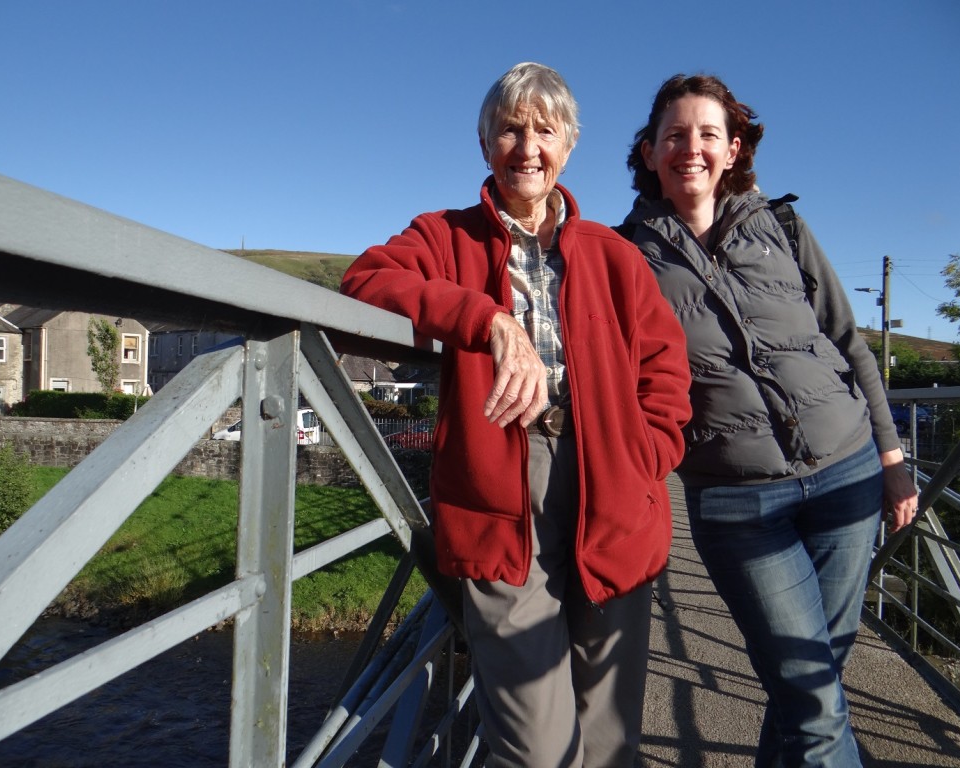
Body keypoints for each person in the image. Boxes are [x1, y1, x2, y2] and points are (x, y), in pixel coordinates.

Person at [341, 62, 692, 767]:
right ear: (484, 142)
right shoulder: (446, 236)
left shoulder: (615, 256)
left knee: (611, 743)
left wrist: (643, 455)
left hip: (613, 490)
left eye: (544, 130)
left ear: (569, 145)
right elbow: (365, 284)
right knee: (534, 749)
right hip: (500, 494)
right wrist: (486, 319)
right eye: (509, 128)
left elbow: (667, 373)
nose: (527, 146)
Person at [615, 73, 920, 767]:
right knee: (812, 700)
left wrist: (893, 461)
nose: (690, 147)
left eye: (707, 134)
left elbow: (847, 342)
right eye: (674, 135)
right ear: (649, 150)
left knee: (810, 691)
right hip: (737, 500)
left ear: (733, 148)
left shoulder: (779, 224)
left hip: (847, 476)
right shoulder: (622, 256)